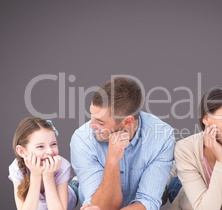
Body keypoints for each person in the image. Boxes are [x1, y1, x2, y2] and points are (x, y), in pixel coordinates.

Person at [70, 77, 175, 210]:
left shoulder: (162, 137)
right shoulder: (82, 139)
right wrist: (112, 160)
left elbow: (148, 202)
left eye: (100, 122)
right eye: (92, 117)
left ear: (127, 122)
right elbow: (98, 207)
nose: (91, 126)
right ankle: (76, 185)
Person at [8, 117, 78, 210]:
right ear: (21, 151)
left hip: (67, 198)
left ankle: (76, 183)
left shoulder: (62, 165)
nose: (49, 151)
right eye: (40, 146)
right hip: (38, 205)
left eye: (53, 144)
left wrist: (48, 176)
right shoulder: (17, 168)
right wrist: (36, 175)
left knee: (79, 189)